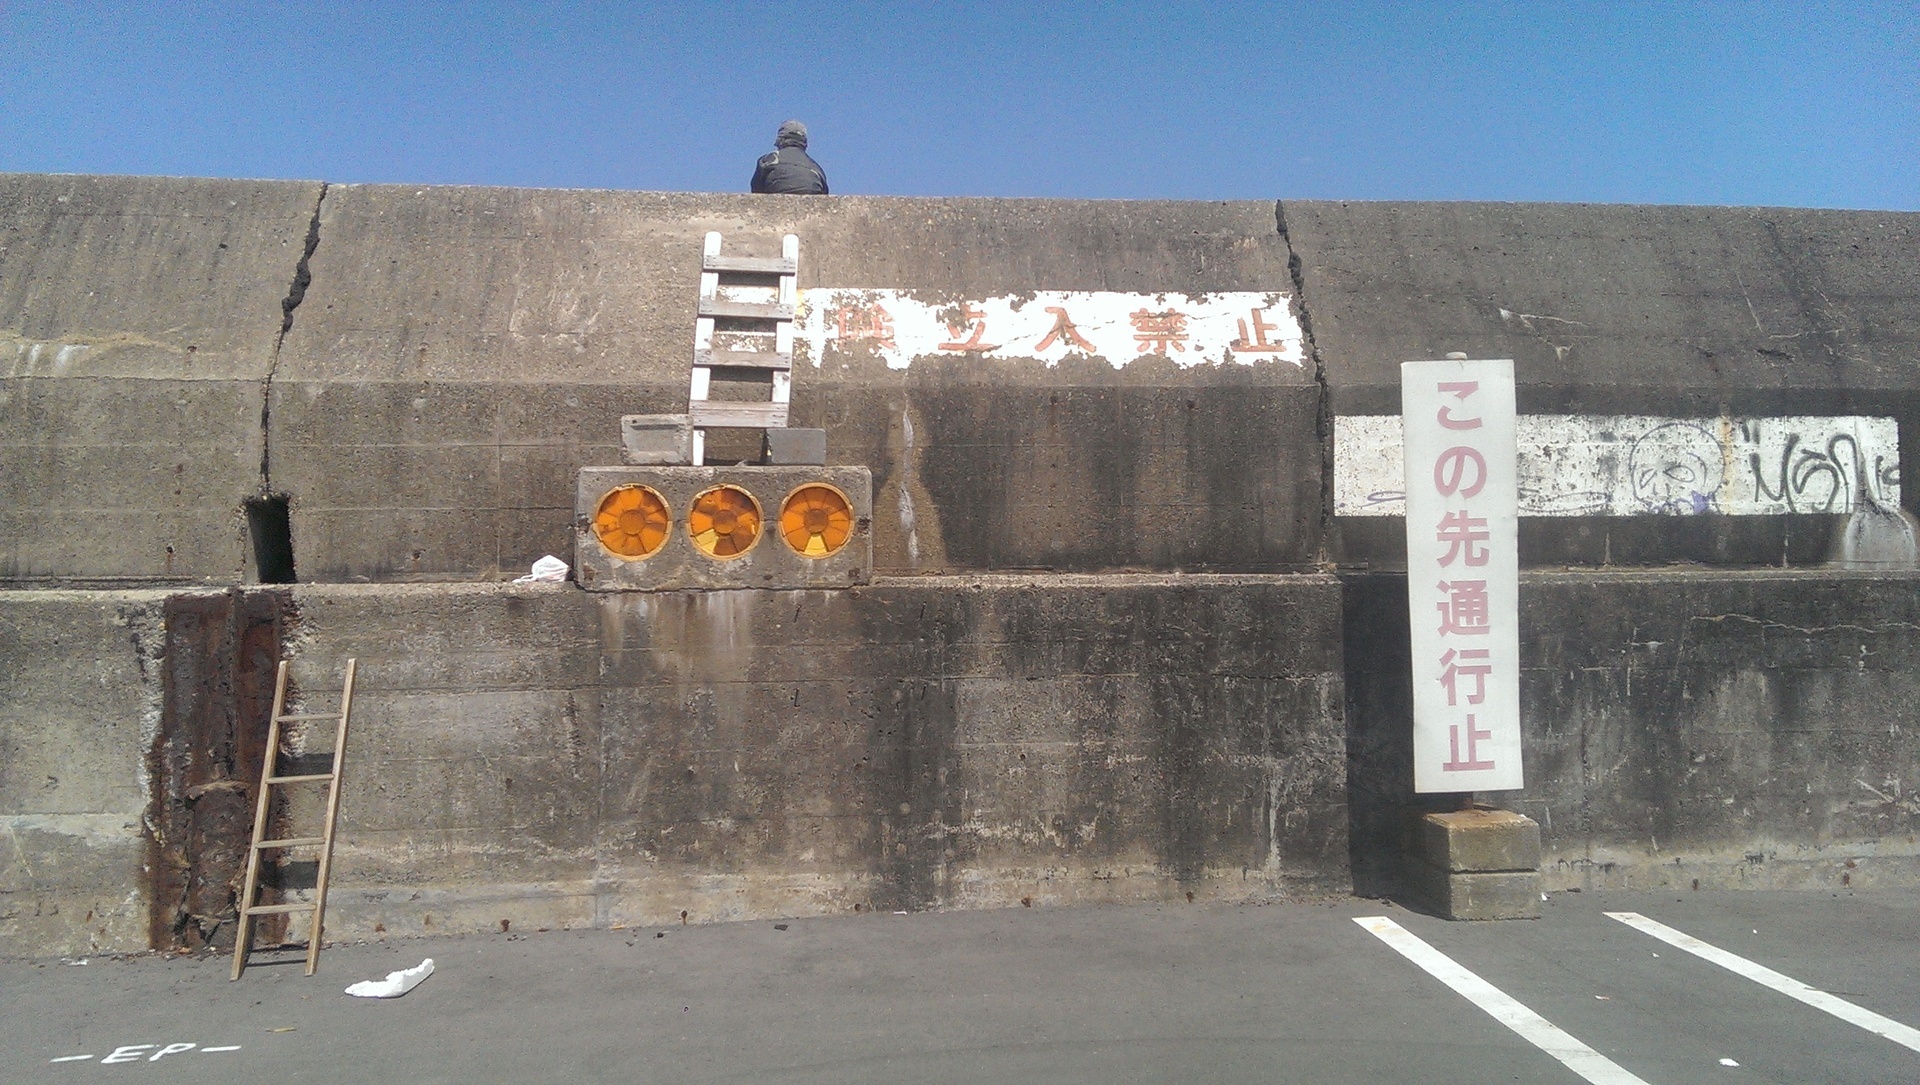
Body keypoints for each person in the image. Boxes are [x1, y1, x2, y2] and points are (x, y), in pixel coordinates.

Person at [751, 121, 829, 195]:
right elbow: (824, 193)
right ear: (804, 143)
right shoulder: (815, 167)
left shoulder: (770, 159)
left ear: (780, 140)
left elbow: (756, 190)